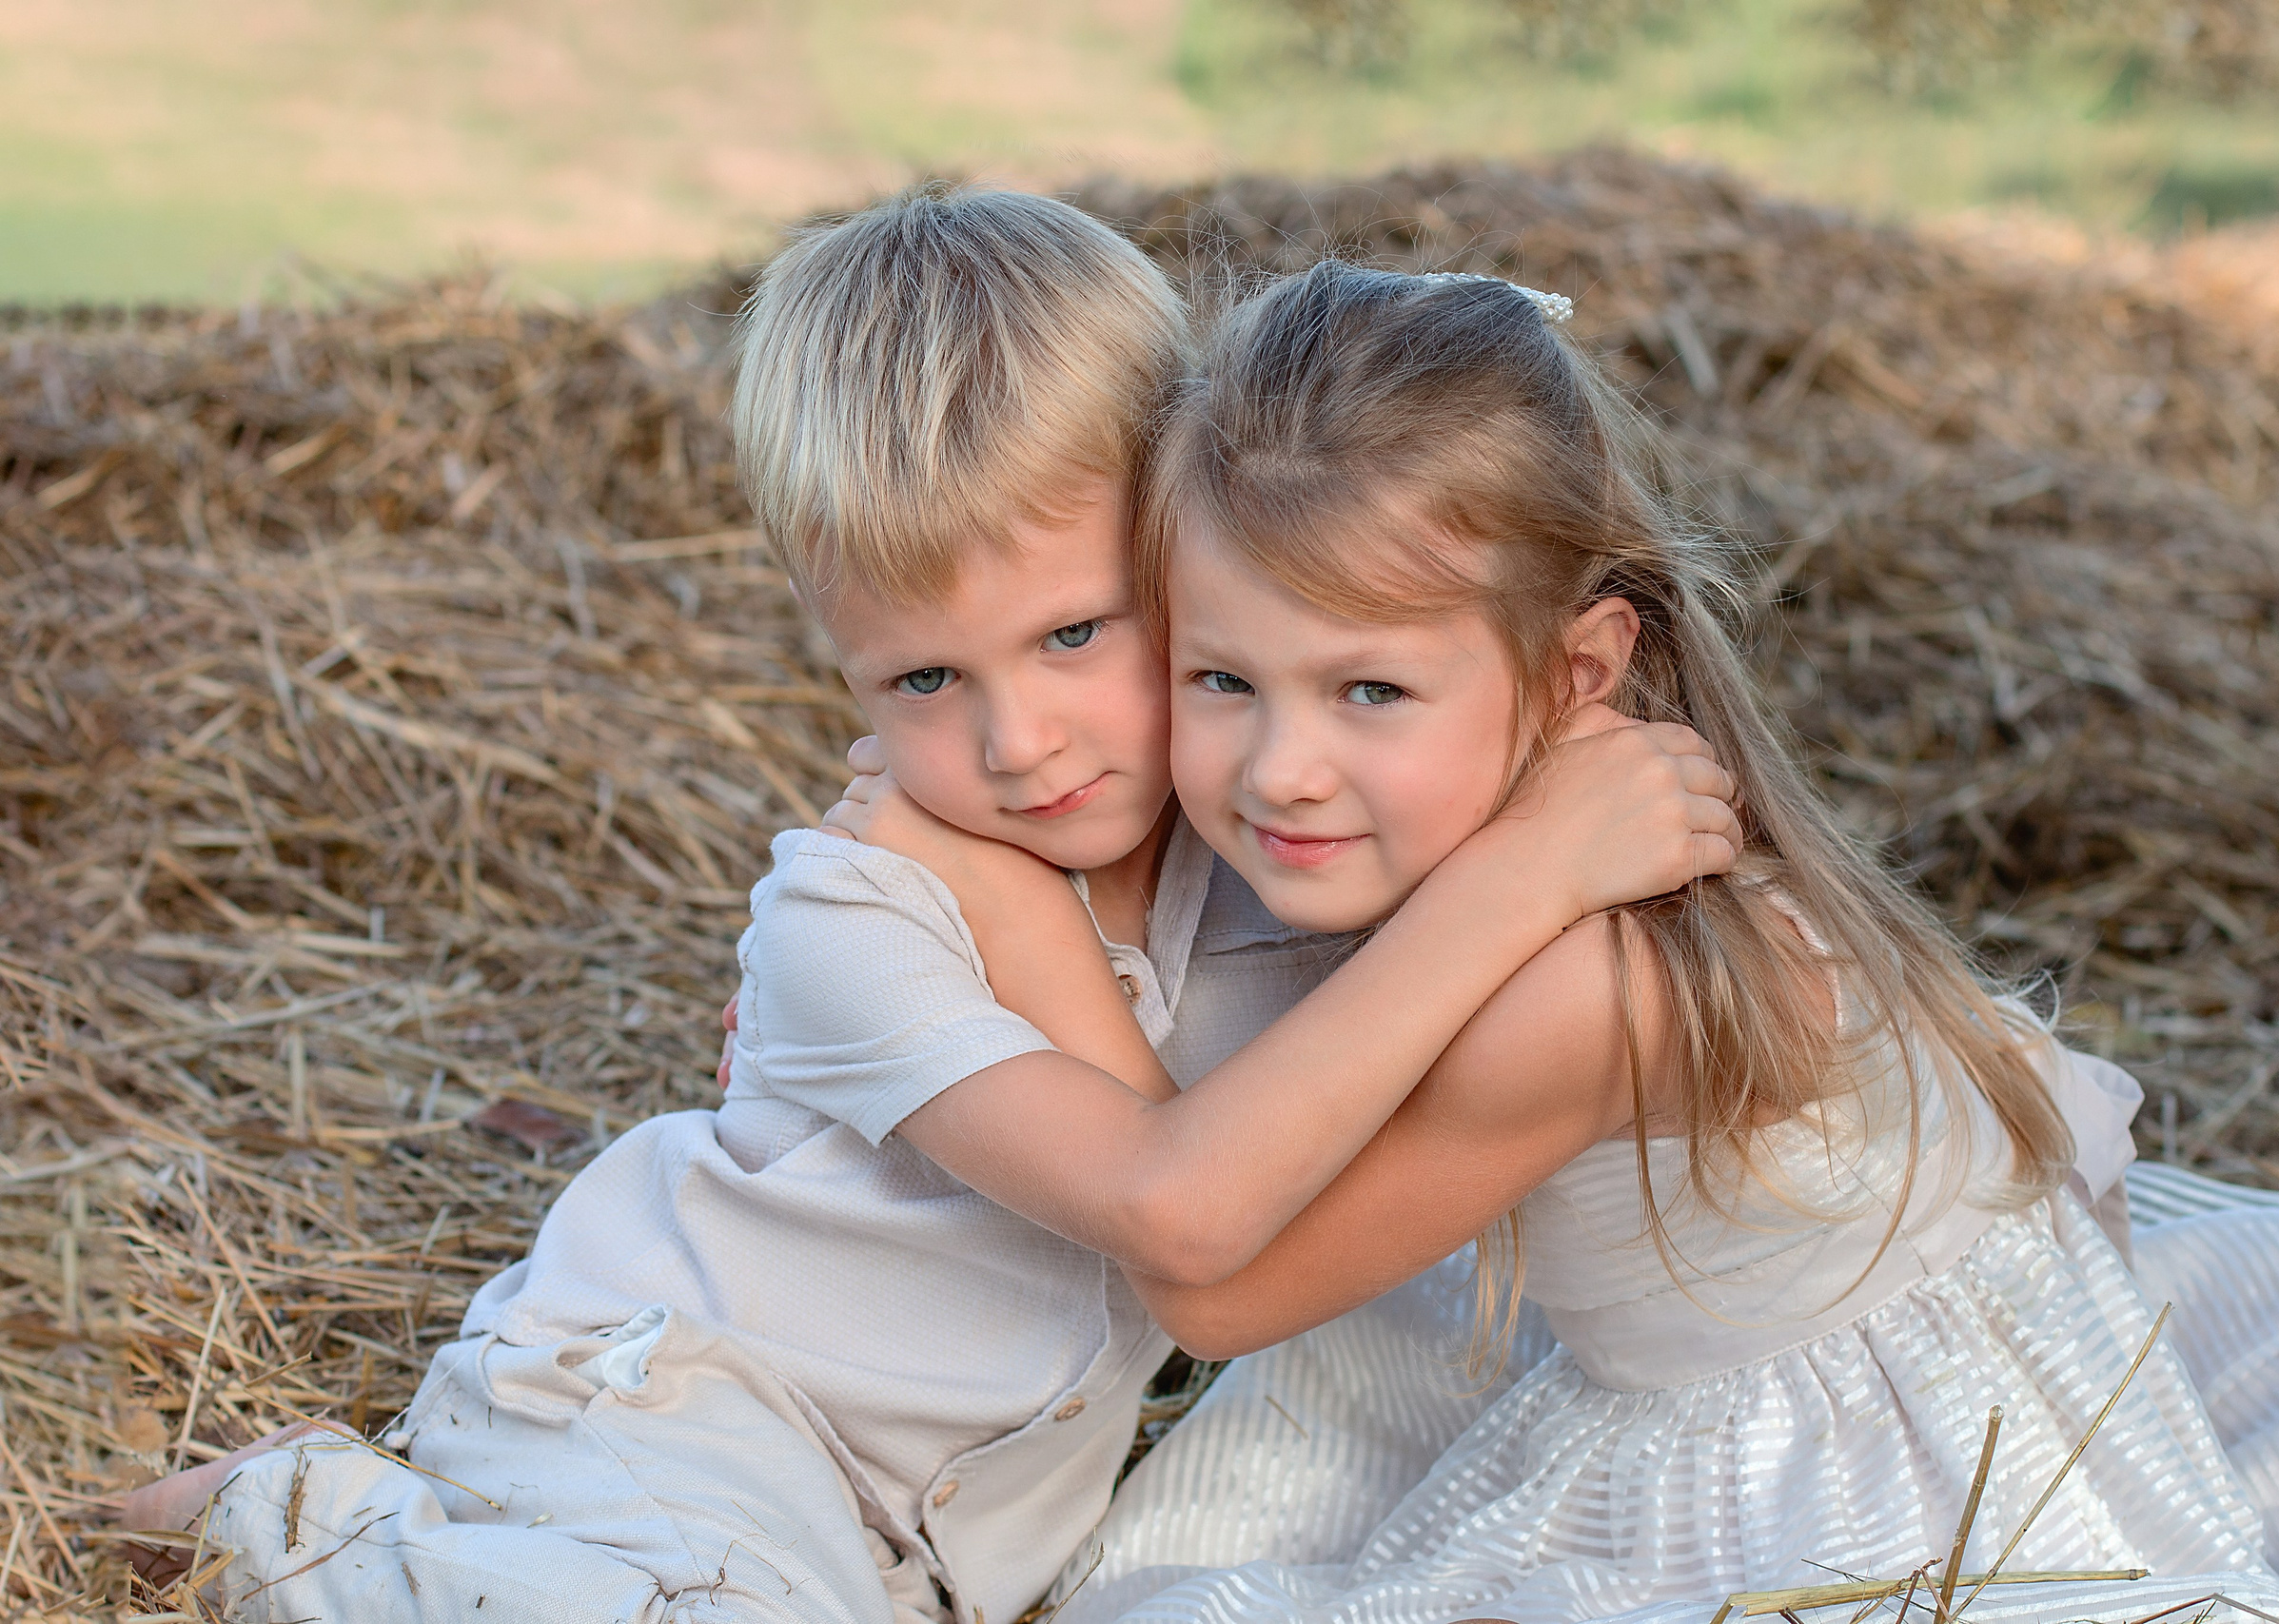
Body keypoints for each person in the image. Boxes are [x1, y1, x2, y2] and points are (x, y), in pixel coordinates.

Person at [117, 192, 1740, 1624]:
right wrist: (1530, 873)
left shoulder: (1267, 833)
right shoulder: (854, 914)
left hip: (930, 1549)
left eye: (1079, 636)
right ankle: (313, 1523)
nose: (1016, 743)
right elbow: (1181, 1211)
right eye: (922, 677)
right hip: (686, 1405)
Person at [835, 261, 2279, 1624]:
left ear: (1582, 669)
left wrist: (1000, 894)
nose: (1279, 771)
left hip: (1845, 1466)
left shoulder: (1585, 974)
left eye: (1366, 689)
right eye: (1223, 679)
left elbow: (1217, 1291)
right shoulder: (1473, 805)